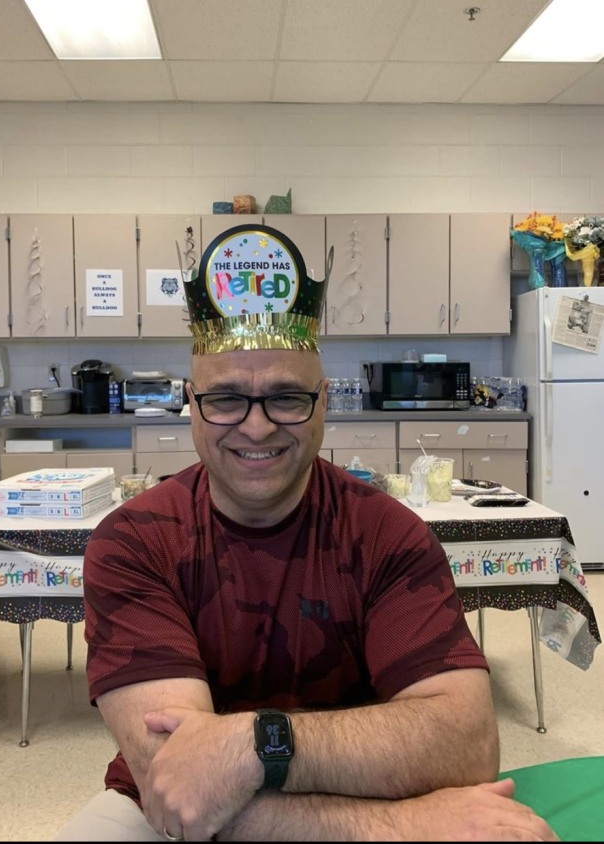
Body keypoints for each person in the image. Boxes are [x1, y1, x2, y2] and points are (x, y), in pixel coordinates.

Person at [55, 225, 556, 843]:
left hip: (362, 791)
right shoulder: (134, 542)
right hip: (168, 817)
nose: (258, 428)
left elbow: (468, 742)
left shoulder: (388, 536)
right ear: (191, 404)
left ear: (323, 404)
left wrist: (254, 746)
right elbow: (177, 786)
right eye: (227, 399)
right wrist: (398, 827)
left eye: (286, 398)